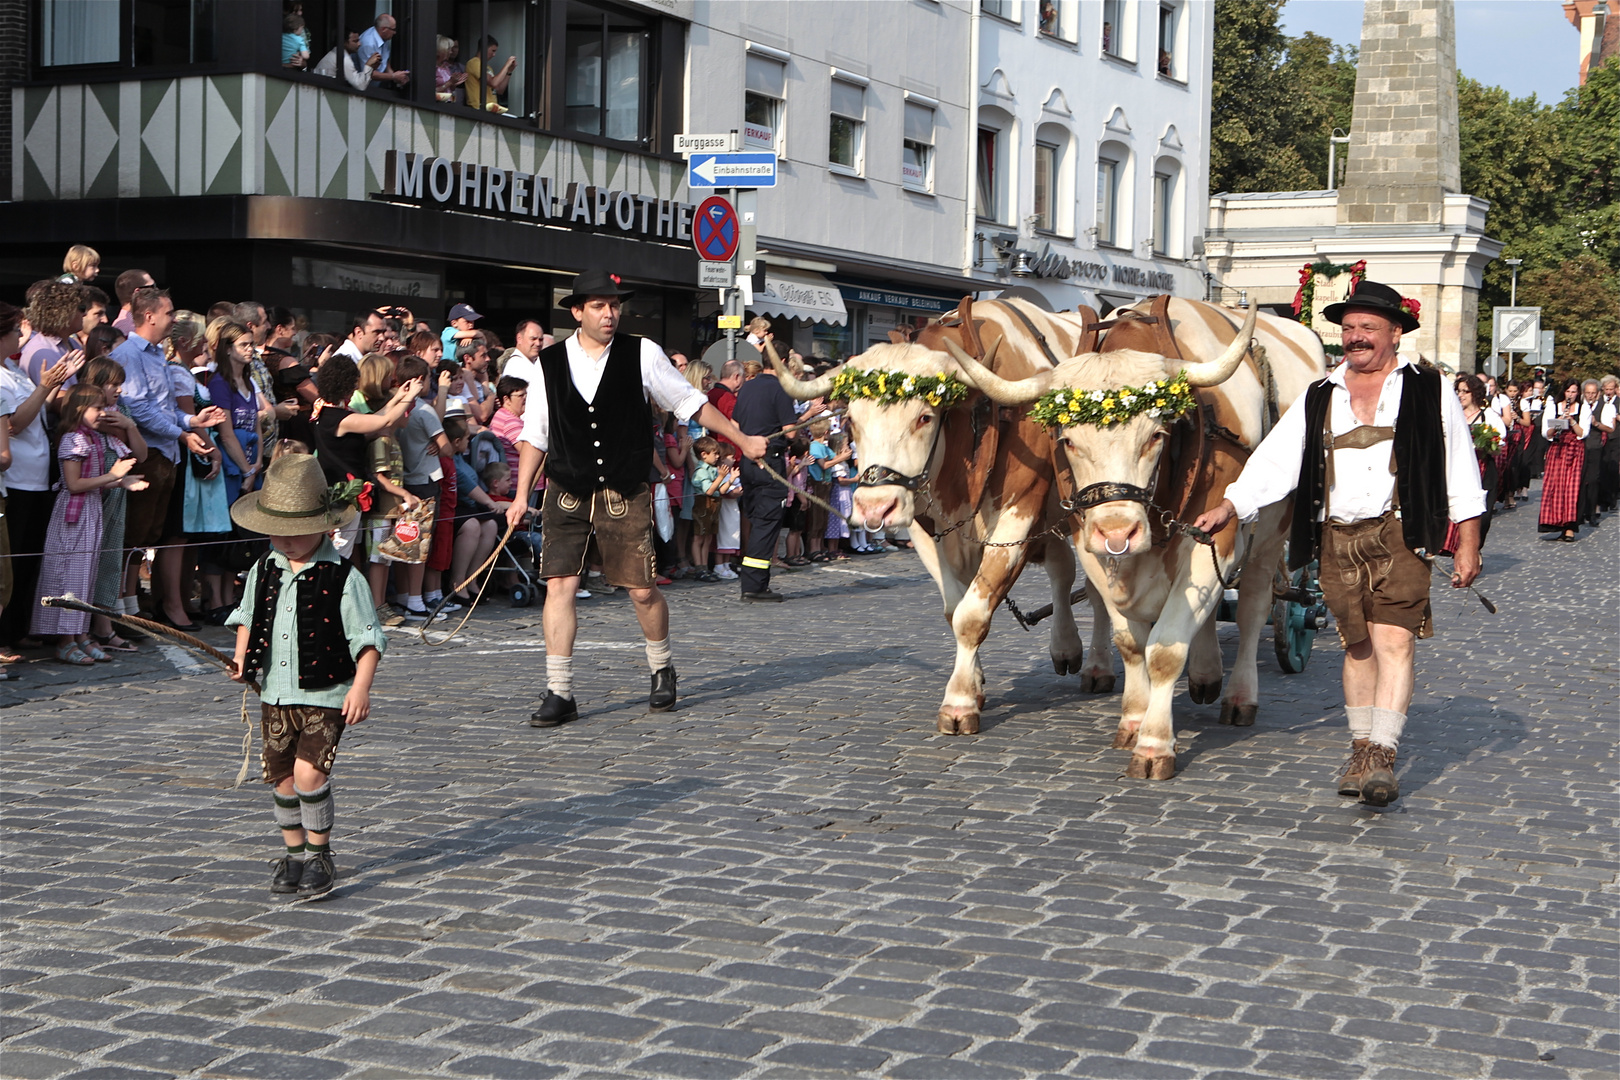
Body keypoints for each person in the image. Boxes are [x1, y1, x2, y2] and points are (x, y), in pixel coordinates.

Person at [1193, 281, 1484, 808]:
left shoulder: (1428, 388)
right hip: (1337, 536)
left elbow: (1460, 466)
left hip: (1401, 531)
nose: (1356, 337)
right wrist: (1230, 505)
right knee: (1358, 647)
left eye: (1368, 328)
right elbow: (1275, 462)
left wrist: (1468, 542)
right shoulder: (1319, 394)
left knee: (1394, 640)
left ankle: (1383, 756)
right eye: (1349, 328)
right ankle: (1359, 747)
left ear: (1395, 333)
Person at [505, 269, 767, 725]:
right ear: (576, 311)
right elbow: (536, 434)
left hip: (625, 490)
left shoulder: (642, 353)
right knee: (560, 585)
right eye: (599, 306)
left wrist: (740, 439)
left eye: (615, 305)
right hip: (567, 491)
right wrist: (520, 495)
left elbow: (689, 402)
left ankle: (661, 666)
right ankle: (560, 691)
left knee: (643, 591)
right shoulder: (547, 364)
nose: (610, 314)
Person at [227, 453, 387, 899]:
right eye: (277, 530)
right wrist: (242, 659)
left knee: (308, 775)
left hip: (327, 691)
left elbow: (368, 638)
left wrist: (360, 686)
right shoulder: (264, 568)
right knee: (280, 779)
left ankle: (320, 854)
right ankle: (293, 854)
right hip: (275, 694)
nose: (286, 539)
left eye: (298, 531)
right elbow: (246, 616)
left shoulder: (343, 577)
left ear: (325, 525)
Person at [32, 385, 149, 665]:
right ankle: (63, 639)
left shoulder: (96, 438)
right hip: (74, 513)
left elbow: (131, 457)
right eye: (96, 408)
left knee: (86, 574)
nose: (103, 413)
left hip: (92, 510)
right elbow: (73, 485)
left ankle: (80, 633)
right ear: (78, 410)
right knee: (68, 573)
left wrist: (123, 481)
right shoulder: (73, 439)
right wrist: (112, 476)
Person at [730, 341, 799, 600]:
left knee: (756, 520)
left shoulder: (748, 387)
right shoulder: (781, 388)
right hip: (771, 461)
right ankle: (755, 586)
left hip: (749, 461)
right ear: (783, 361)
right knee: (766, 524)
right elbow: (790, 432)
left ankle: (753, 582)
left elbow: (734, 424)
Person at [1440, 374, 1507, 555]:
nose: (1460, 395)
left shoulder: (1489, 416)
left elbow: (1499, 444)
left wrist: (1485, 444)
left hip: (1482, 469)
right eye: (1458, 391)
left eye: (1465, 392)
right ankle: (1457, 549)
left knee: (1481, 515)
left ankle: (1473, 549)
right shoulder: (1452, 416)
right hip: (1456, 468)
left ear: (1475, 394)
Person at [1540, 381, 1589, 542]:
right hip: (1557, 448)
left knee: (1571, 488)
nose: (1570, 395)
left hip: (1575, 451)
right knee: (1555, 486)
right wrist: (1559, 421)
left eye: (1574, 392)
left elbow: (1583, 433)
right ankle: (1555, 522)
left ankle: (1569, 528)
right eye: (1568, 391)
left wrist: (1572, 420)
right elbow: (1546, 433)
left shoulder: (1583, 408)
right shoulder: (1553, 406)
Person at [1576, 379, 1612, 527]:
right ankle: (1579, 513)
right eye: (1587, 393)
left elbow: (1610, 428)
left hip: (1595, 447)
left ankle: (1591, 512)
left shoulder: (1605, 407)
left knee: (1592, 480)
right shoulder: (1578, 406)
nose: (1590, 396)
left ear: (1598, 394)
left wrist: (1596, 423)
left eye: (1593, 393)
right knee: (1579, 481)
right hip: (1579, 446)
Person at [688, 436, 722, 580]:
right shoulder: (701, 471)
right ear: (704, 454)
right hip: (703, 505)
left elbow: (720, 490)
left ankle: (705, 566)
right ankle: (699, 567)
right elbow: (708, 490)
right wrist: (721, 478)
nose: (718, 456)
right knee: (699, 537)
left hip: (714, 504)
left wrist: (730, 479)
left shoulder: (713, 470)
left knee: (708, 537)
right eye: (715, 453)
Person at [314, 28, 381, 92]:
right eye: (355, 41)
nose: (359, 44)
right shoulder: (343, 58)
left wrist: (371, 67)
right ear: (344, 42)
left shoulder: (338, 53)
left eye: (359, 40)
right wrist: (368, 65)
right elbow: (360, 85)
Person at [464, 36, 516, 113]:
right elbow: (494, 83)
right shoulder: (474, 63)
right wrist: (507, 64)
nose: (494, 55)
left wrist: (509, 71)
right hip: (478, 109)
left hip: (492, 109)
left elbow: (499, 90)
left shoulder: (488, 67)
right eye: (493, 51)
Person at [359, 12, 410, 86]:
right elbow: (369, 73)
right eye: (393, 29)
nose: (395, 32)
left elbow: (385, 61)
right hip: (364, 88)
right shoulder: (368, 44)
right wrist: (393, 76)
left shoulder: (383, 37)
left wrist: (396, 77)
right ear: (384, 29)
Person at [1599, 374, 1620, 513]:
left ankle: (1613, 497)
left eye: (1611, 389)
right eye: (1606, 389)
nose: (1608, 392)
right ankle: (1603, 499)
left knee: (1613, 468)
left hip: (1615, 437)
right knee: (1602, 468)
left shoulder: (1618, 401)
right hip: (1601, 438)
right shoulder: (1599, 401)